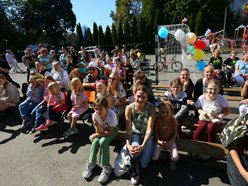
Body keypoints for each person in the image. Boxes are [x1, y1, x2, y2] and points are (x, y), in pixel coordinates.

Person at [124, 85, 155, 184]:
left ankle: (130, 158)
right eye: (138, 96)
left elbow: (149, 129)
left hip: (147, 136)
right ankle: (135, 174)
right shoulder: (129, 108)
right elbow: (128, 130)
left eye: (144, 97)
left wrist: (143, 145)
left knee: (144, 163)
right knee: (134, 152)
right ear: (134, 94)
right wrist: (128, 145)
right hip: (136, 133)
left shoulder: (150, 107)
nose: (141, 99)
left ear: (147, 97)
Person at [82, 97, 118, 184]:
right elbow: (98, 131)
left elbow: (109, 132)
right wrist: (97, 125)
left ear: (107, 108)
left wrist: (95, 135)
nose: (98, 111)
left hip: (112, 131)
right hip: (102, 131)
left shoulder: (112, 115)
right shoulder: (95, 115)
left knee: (103, 141)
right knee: (95, 141)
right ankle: (91, 163)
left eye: (101, 109)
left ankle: (106, 166)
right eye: (96, 109)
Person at [152, 100, 179, 170]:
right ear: (159, 112)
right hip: (160, 141)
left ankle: (172, 161)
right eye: (162, 112)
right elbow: (156, 131)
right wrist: (158, 140)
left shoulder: (173, 120)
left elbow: (175, 132)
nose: (165, 114)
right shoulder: (158, 120)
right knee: (154, 157)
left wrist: (170, 141)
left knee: (175, 157)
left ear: (171, 112)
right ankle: (161, 154)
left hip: (170, 141)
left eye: (167, 112)